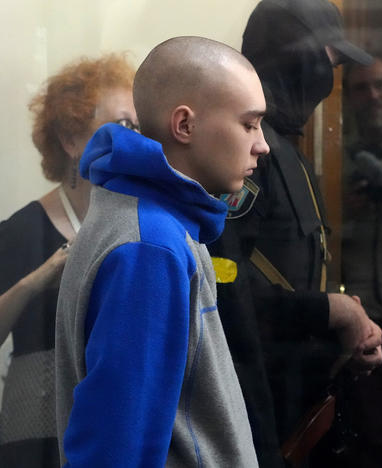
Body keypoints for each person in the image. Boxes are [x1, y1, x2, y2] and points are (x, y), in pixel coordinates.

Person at [54, 37, 268, 467]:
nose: (262, 144)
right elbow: (115, 450)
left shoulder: (151, 223)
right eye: (249, 124)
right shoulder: (149, 247)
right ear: (184, 125)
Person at [208, 0, 382, 461]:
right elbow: (224, 283)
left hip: (298, 409)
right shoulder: (246, 155)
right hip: (256, 419)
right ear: (295, 56)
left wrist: (344, 325)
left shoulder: (287, 151)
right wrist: (331, 311)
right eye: (330, 59)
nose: (332, 77)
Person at [0, 54, 137, 468]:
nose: (135, 138)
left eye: (139, 125)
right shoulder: (21, 231)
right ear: (71, 140)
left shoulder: (139, 223)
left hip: (117, 431)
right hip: (35, 438)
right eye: (123, 125)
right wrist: (43, 275)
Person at [342, 56, 382, 320]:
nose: (373, 95)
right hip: (355, 310)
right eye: (361, 88)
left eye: (381, 85)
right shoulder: (333, 158)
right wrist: (342, 211)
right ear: (347, 97)